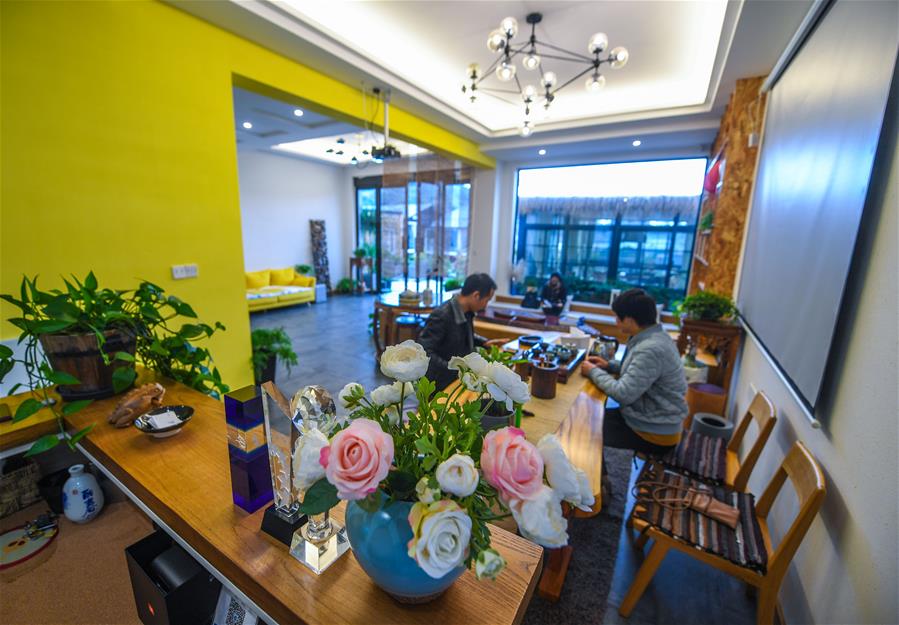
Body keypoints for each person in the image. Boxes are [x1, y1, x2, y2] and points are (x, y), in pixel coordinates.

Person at [581, 288, 688, 462]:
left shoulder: (650, 349)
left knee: (584, 428)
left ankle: (598, 476)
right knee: (588, 416)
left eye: (618, 317)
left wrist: (592, 371)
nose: (616, 322)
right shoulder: (655, 336)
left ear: (630, 320)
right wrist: (609, 366)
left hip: (655, 432)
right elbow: (641, 372)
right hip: (653, 418)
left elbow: (623, 393)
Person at [417, 273, 510, 390]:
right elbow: (425, 351)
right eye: (487, 300)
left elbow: (461, 335)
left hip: (456, 378)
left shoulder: (466, 312)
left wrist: (484, 342)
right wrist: (454, 369)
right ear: (476, 295)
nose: (485, 306)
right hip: (439, 383)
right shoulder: (442, 315)